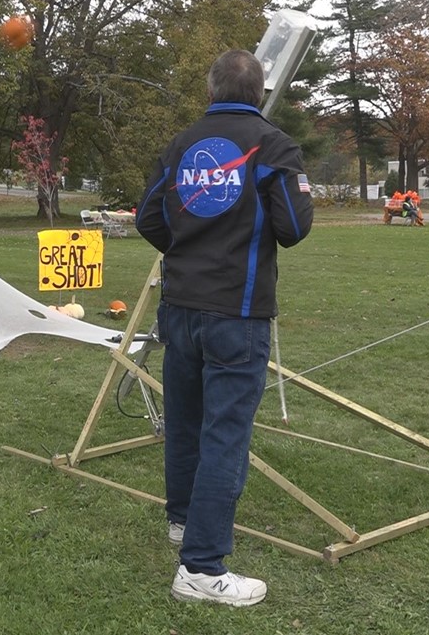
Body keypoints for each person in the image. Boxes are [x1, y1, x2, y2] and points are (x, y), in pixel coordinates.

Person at [135, 49, 313, 607]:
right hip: (234, 313)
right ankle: (201, 568)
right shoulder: (274, 144)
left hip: (182, 306)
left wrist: (189, 249)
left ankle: (184, 522)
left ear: (211, 91)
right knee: (224, 436)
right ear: (259, 91)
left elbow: (148, 217)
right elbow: (294, 226)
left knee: (186, 423)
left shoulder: (181, 143)